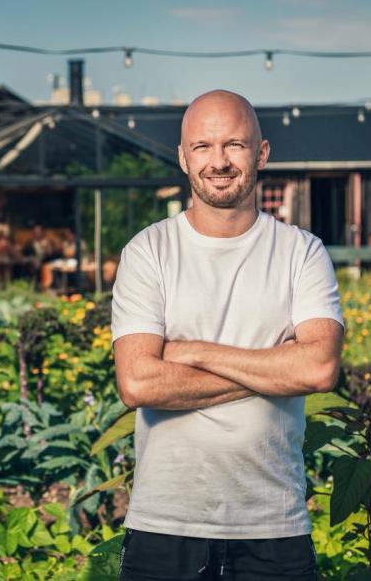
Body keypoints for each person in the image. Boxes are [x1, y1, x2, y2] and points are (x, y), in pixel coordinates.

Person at [111, 90, 345, 580]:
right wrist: (275, 367)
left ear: (261, 153)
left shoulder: (301, 252)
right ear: (182, 157)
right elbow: (138, 384)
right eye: (202, 147)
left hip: (273, 525)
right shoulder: (148, 251)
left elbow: (319, 368)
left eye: (234, 145)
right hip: (165, 523)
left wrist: (191, 353)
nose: (218, 161)